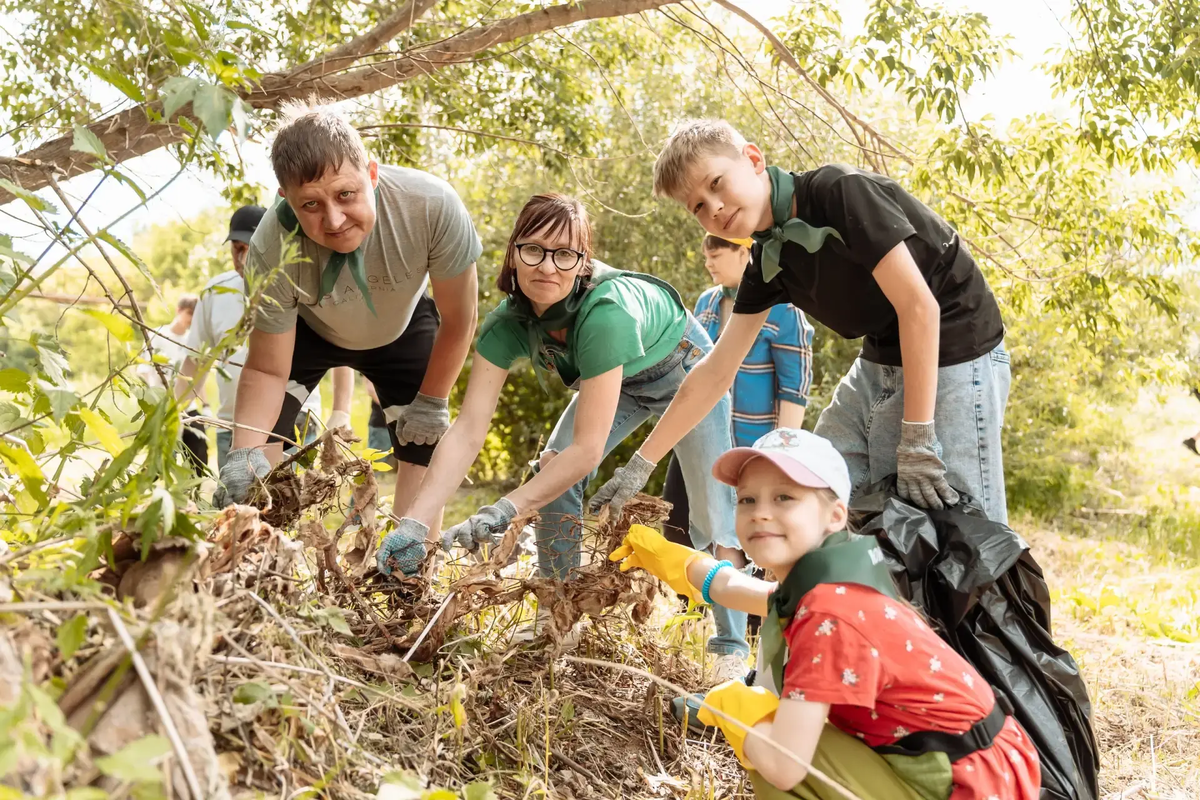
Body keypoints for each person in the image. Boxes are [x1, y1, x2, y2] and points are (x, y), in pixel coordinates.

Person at [377, 193, 750, 678]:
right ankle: (558, 616)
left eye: (565, 254)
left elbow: (588, 449)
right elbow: (468, 429)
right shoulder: (507, 323)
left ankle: (730, 647)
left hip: (684, 369)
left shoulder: (606, 313)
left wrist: (505, 508)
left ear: (583, 261)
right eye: (533, 250)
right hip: (620, 379)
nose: (547, 266)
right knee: (553, 469)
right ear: (513, 253)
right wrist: (414, 522)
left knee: (713, 511)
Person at [592, 119, 1012, 525]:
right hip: (883, 352)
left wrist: (918, 438)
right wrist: (640, 465)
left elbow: (920, 307)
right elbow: (715, 372)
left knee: (967, 530)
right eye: (698, 206)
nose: (714, 207)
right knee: (812, 487)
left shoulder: (839, 191)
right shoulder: (767, 261)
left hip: (957, 342)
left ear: (753, 159)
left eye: (716, 183)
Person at [610, 429, 1040, 799]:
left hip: (969, 780)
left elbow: (785, 767)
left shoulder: (828, 614)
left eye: (785, 497)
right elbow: (741, 590)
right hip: (962, 759)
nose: (761, 512)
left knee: (775, 740)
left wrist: (737, 711)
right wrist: (670, 558)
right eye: (747, 499)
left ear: (834, 516)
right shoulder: (833, 578)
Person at [213, 102, 482, 529]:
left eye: (345, 195)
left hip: (403, 328)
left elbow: (460, 319)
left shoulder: (431, 205)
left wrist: (433, 400)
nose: (334, 220)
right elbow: (266, 369)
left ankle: (411, 563)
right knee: (258, 449)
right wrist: (243, 451)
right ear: (286, 200)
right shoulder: (269, 247)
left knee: (424, 446)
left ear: (371, 174)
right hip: (310, 331)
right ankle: (260, 553)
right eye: (310, 204)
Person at [662, 233, 813, 545]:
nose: (708, 263)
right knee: (678, 531)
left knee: (744, 541)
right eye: (706, 256)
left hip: (750, 448)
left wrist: (779, 458)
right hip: (698, 439)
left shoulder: (784, 309)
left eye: (716, 255)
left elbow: (794, 391)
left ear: (745, 253)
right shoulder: (706, 303)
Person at [174, 205, 352, 468]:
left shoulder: (302, 287)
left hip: (294, 421)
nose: (243, 258)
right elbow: (195, 361)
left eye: (250, 248)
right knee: (235, 494)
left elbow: (339, 351)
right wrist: (176, 413)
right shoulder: (215, 293)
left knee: (286, 494)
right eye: (237, 248)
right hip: (231, 426)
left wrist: (341, 411)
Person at [139, 294, 207, 474]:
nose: (191, 319)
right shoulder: (157, 336)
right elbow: (143, 371)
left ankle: (193, 488)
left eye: (195, 316)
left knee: (199, 450)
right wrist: (153, 403)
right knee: (159, 454)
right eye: (189, 313)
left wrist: (206, 405)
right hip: (162, 404)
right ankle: (148, 486)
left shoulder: (192, 341)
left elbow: (198, 377)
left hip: (187, 404)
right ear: (179, 310)